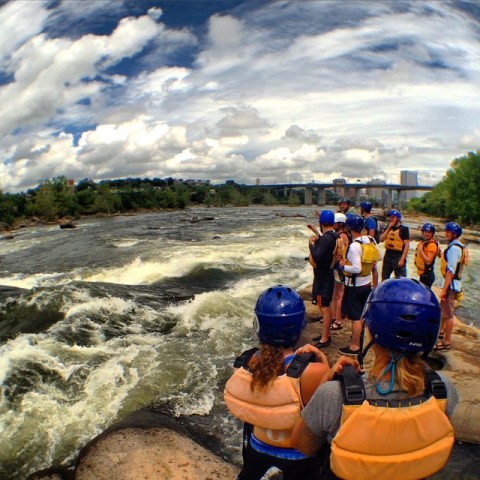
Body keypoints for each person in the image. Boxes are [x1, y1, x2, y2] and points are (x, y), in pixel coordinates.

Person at [291, 278, 458, 480]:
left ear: (372, 334)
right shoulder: (444, 389)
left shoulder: (335, 395)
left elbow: (303, 446)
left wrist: (327, 378)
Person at [224, 285, 331, 480]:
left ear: (258, 324)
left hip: (257, 446)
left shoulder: (245, 363)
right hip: (298, 454)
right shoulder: (314, 372)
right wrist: (323, 362)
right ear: (300, 325)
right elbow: (327, 410)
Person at [337, 214, 381, 355]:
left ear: (349, 228)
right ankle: (360, 339)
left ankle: (355, 347)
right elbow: (379, 257)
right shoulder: (371, 239)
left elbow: (356, 269)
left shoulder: (354, 246)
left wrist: (342, 267)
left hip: (355, 287)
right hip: (367, 284)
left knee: (355, 318)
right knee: (362, 315)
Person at [308, 210, 338, 348]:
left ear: (322, 223)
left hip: (323, 278)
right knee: (327, 305)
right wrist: (316, 233)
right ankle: (326, 334)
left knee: (324, 307)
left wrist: (310, 244)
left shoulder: (326, 238)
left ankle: (325, 338)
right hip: (328, 275)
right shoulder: (333, 236)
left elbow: (318, 256)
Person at [437, 222, 467, 351]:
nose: (446, 234)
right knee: (444, 309)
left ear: (454, 234)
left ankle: (447, 342)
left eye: (448, 232)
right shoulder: (458, 246)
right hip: (454, 284)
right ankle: (441, 332)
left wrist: (444, 290)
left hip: (451, 286)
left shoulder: (454, 249)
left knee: (449, 314)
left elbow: (451, 270)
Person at [331, 213, 350, 332]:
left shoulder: (342, 237)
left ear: (340, 224)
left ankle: (338, 320)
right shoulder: (342, 235)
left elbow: (338, 255)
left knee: (338, 295)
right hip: (339, 268)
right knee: (336, 294)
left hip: (339, 268)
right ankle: (334, 317)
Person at [379, 209, 410, 280]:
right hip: (388, 255)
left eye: (393, 217)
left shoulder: (404, 229)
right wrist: (389, 227)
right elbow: (381, 239)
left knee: (401, 279)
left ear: (398, 219)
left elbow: (406, 246)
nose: (391, 219)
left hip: (398, 256)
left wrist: (402, 260)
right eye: (390, 217)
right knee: (384, 277)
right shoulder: (389, 227)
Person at [414, 222, 440, 288]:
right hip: (423, 274)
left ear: (432, 233)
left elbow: (428, 261)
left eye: (428, 232)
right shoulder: (425, 243)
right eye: (425, 231)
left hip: (427, 275)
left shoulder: (432, 245)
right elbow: (440, 255)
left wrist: (421, 250)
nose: (426, 234)